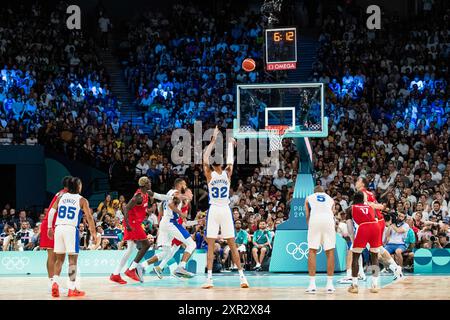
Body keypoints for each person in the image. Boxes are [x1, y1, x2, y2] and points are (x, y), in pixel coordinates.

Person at [202, 126, 249, 289]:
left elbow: (204, 158)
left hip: (214, 210)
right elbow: (231, 159)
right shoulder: (227, 172)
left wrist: (213, 141)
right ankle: (242, 277)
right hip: (223, 210)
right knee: (232, 243)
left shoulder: (209, 173)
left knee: (212, 244)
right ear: (221, 163)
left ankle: (209, 279)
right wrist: (230, 143)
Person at [110, 176, 177, 284]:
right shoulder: (138, 196)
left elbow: (159, 196)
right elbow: (126, 208)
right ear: (145, 184)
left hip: (136, 223)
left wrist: (170, 197)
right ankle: (131, 269)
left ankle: (116, 274)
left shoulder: (147, 192)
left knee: (130, 249)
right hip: (132, 223)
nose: (151, 183)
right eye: (149, 182)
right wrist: (127, 225)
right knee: (146, 245)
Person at [48, 177, 97, 297]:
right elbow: (89, 217)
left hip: (59, 228)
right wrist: (94, 232)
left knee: (59, 259)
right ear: (78, 187)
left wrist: (50, 227)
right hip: (71, 229)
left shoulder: (61, 197)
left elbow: (51, 212)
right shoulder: (82, 200)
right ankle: (71, 288)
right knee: (72, 261)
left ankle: (55, 283)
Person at [145, 178, 197, 279]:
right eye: (184, 184)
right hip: (171, 223)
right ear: (180, 184)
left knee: (167, 252)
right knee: (191, 244)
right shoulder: (176, 193)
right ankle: (180, 267)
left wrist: (153, 194)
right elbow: (171, 204)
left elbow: (164, 197)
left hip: (165, 223)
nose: (185, 186)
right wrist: (181, 212)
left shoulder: (171, 193)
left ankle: (145, 266)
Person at [356, 177, 403, 281]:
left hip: (373, 223)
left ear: (362, 184)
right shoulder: (368, 193)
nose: (355, 182)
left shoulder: (364, 194)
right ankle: (395, 268)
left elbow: (379, 207)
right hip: (375, 222)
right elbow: (380, 206)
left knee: (359, 249)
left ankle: (364, 275)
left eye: (358, 181)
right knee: (376, 250)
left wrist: (369, 205)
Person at [39, 176, 71, 293]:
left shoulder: (61, 193)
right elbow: (52, 211)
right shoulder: (64, 194)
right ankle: (52, 283)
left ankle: (51, 283)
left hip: (51, 225)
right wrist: (50, 227)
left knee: (53, 256)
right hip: (51, 226)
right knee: (54, 256)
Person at [346, 191, 381, 294]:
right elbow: (376, 220)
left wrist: (353, 240)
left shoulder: (350, 208)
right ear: (363, 199)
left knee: (356, 256)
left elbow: (349, 228)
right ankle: (375, 285)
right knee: (374, 256)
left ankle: (355, 285)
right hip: (375, 227)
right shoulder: (371, 207)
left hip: (363, 228)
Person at [305, 185, 336, 294]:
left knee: (312, 250)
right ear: (323, 192)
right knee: (330, 251)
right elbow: (334, 213)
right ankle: (330, 284)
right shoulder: (331, 199)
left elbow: (307, 213)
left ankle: (312, 284)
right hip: (328, 220)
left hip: (315, 220)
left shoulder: (309, 197)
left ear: (315, 192)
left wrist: (309, 224)